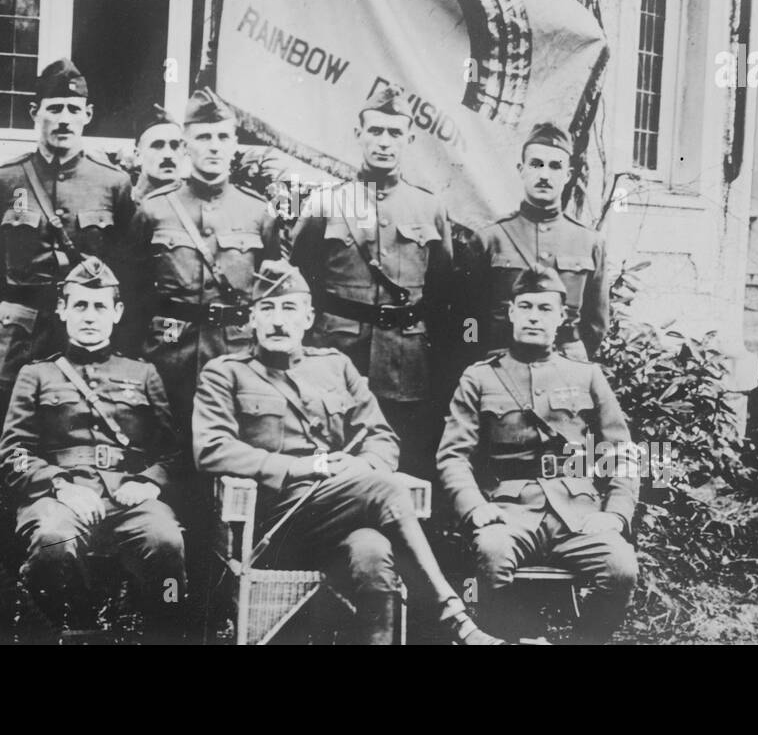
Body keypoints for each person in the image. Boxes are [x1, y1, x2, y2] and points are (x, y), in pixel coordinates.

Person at [192, 260, 504, 645]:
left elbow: (382, 438)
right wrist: (298, 466)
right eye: (267, 310)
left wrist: (358, 466)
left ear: (308, 317)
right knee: (389, 490)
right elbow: (212, 448)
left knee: (372, 550)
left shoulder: (336, 366)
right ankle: (452, 617)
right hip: (275, 521)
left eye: (288, 309)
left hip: (344, 510)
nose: (277, 321)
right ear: (251, 319)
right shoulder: (225, 373)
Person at [437, 266, 638, 644]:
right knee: (492, 552)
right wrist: (474, 505)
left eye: (545, 309)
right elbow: (453, 455)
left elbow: (621, 451)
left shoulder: (587, 375)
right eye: (525, 306)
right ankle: (512, 640)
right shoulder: (479, 377)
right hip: (510, 510)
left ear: (562, 317)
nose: (533, 316)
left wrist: (615, 513)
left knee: (621, 567)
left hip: (579, 512)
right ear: (510, 312)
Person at [0, 258, 185, 640]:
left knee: (167, 542)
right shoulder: (36, 375)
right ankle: (39, 634)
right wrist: (61, 486)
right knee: (52, 539)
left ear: (117, 313)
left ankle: (168, 631)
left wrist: (150, 483)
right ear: (62, 309)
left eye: (100, 306)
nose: (90, 316)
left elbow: (175, 451)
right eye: (80, 305)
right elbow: (13, 451)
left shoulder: (143, 374)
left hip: (129, 498)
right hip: (59, 498)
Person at [0, 58, 134, 460]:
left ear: (88, 116)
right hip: (21, 328)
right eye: (54, 108)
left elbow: (126, 265)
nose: (64, 119)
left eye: (73, 110)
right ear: (35, 113)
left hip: (82, 329)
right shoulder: (3, 181)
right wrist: (12, 315)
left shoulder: (112, 183)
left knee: (76, 427)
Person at [285, 85, 453, 479]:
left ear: (410, 139)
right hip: (339, 358)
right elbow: (298, 284)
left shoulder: (430, 208)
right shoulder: (326, 204)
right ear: (358, 134)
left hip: (406, 365)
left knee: (403, 470)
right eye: (375, 131)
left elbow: (444, 295)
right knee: (335, 470)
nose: (384, 142)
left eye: (395, 133)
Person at [127, 87, 279, 432]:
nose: (214, 146)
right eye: (204, 136)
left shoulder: (258, 212)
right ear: (185, 145)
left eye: (223, 137)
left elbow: (270, 294)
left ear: (235, 144)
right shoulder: (154, 209)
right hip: (168, 355)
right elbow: (131, 292)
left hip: (237, 355)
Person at [468, 122, 608, 361]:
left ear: (568, 174)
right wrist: (474, 361)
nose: (544, 175)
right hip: (501, 367)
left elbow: (596, 322)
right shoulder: (489, 239)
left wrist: (573, 363)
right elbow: (467, 316)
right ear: (521, 169)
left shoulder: (588, 241)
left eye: (555, 166)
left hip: (566, 367)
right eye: (536, 164)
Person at [132, 105, 183, 201]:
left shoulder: (193, 205)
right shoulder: (122, 203)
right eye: (157, 145)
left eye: (174, 146)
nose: (168, 155)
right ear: (137, 156)